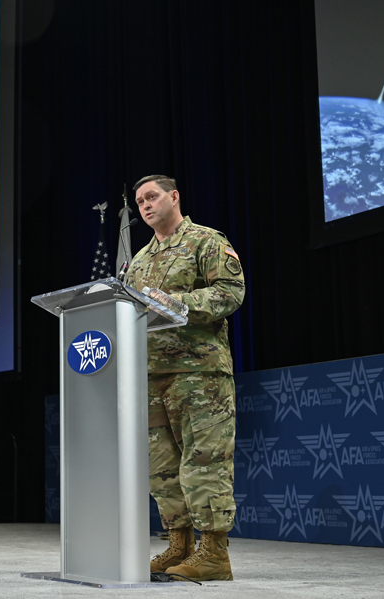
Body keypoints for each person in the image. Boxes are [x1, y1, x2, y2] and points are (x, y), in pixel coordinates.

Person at [124, 175, 245, 582]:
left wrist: (182, 304)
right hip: (150, 375)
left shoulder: (207, 241)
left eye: (152, 196)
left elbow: (231, 291)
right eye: (140, 200)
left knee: (204, 462)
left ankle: (213, 553)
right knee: (163, 467)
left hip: (200, 374)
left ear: (174, 197)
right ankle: (179, 545)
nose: (145, 205)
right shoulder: (138, 261)